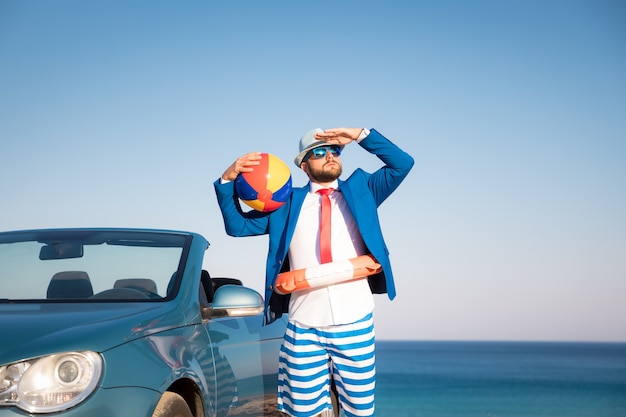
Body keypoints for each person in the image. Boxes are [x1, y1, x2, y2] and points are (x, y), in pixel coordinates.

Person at [214, 127, 414, 417]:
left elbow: (402, 163)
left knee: (360, 411)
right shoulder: (286, 205)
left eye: (334, 151)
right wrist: (228, 179)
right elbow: (237, 226)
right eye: (319, 152)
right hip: (303, 324)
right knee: (302, 411)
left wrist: (360, 135)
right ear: (304, 165)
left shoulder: (363, 190)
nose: (330, 155)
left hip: (355, 320)